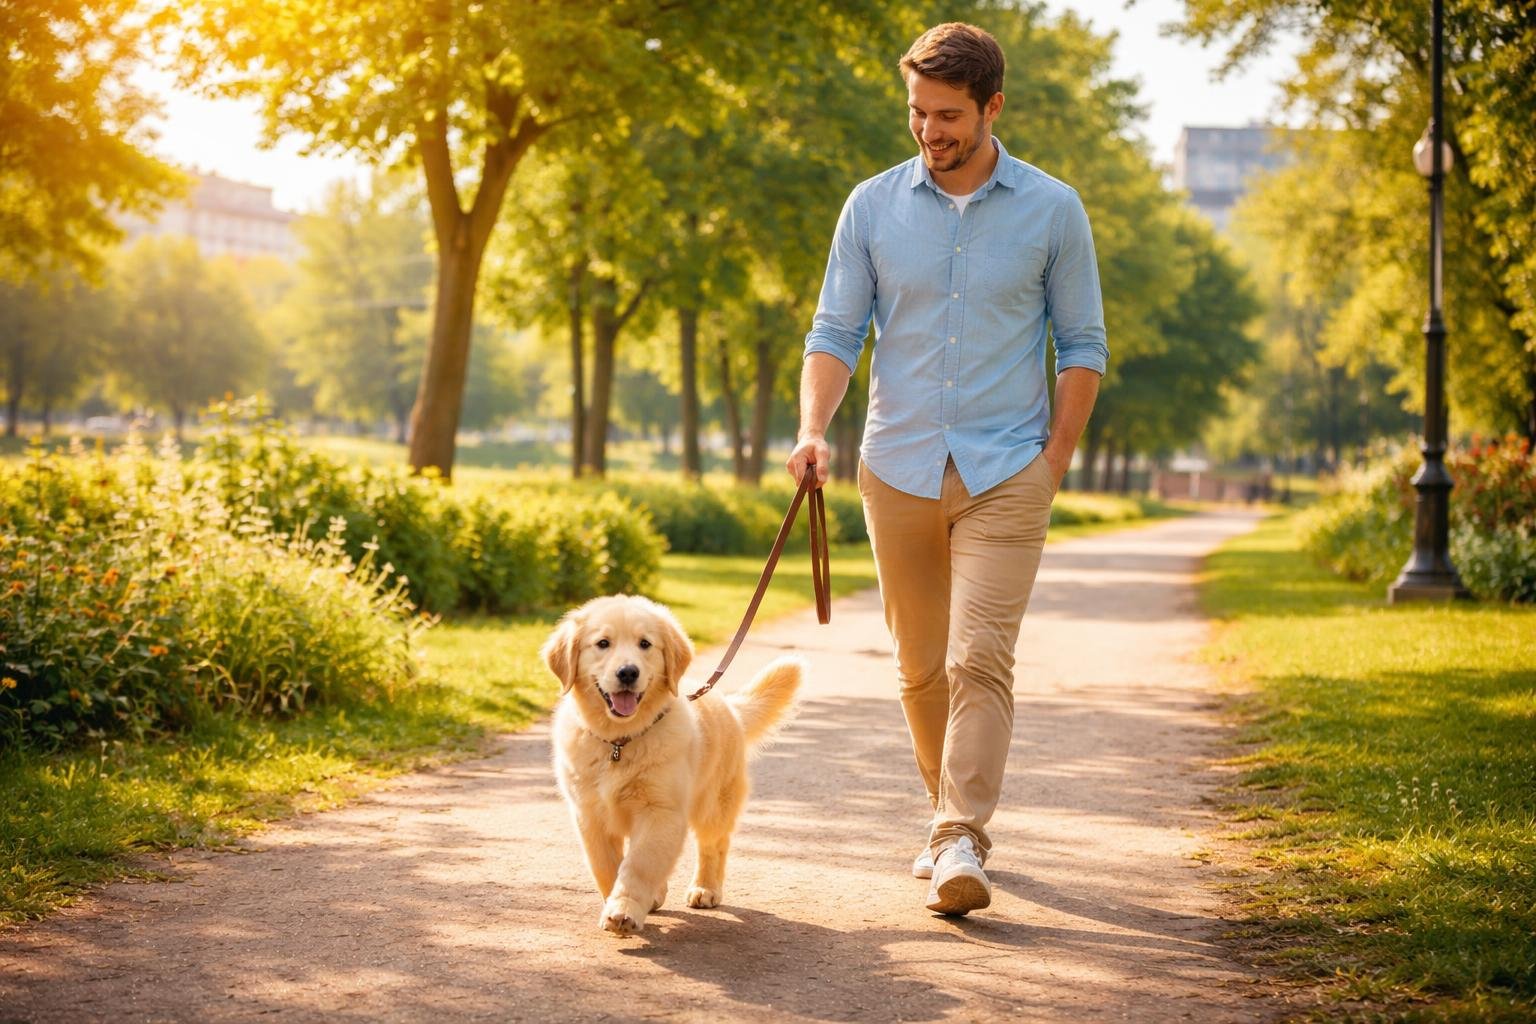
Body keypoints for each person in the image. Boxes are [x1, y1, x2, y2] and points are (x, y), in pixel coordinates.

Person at [786, 21, 1108, 916]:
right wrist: (814, 427)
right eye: (919, 113)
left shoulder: (1053, 210)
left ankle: (961, 833)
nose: (931, 131)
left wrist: (1053, 464)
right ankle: (946, 815)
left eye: (950, 115)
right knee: (920, 667)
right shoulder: (871, 206)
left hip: (1008, 473)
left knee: (978, 658)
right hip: (897, 466)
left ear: (993, 107)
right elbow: (835, 333)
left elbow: (1082, 346)